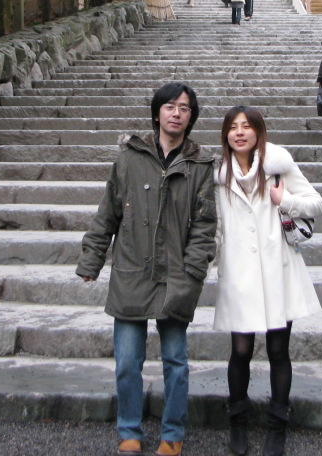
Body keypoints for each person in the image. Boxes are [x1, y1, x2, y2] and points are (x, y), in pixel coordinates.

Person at [77, 82, 217, 456]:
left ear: (191, 117)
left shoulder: (201, 165)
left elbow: (205, 225)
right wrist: (92, 259)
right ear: (157, 113)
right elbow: (108, 211)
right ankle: (129, 430)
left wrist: (193, 270)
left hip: (176, 275)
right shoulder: (129, 157)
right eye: (170, 106)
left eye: (184, 108)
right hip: (131, 270)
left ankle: (173, 434)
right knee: (127, 361)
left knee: (176, 361)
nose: (176, 113)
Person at [214, 105, 322, 456]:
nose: (240, 132)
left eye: (247, 126)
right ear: (226, 135)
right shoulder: (219, 176)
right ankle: (238, 423)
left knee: (278, 350)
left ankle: (278, 426)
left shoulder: (279, 166)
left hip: (279, 271)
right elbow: (216, 227)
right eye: (233, 127)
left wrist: (285, 200)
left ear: (259, 132)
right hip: (239, 275)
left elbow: (317, 204)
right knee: (240, 351)